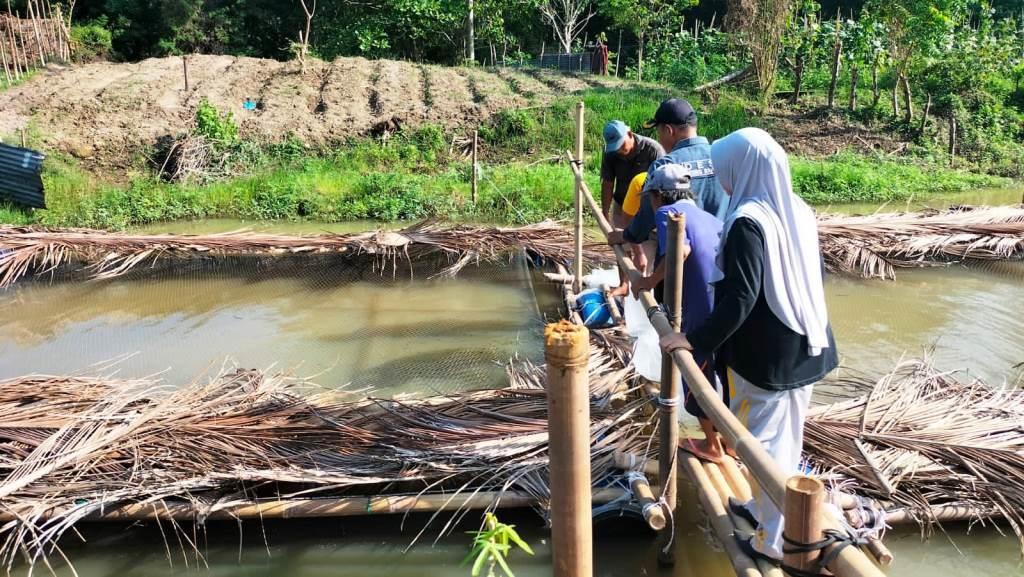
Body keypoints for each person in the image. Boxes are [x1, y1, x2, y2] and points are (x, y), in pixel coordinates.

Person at [659, 127, 839, 563]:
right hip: (807, 342)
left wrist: (694, 342)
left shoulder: (748, 222)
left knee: (764, 447)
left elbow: (740, 298)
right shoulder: (797, 209)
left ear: (744, 167)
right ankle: (760, 508)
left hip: (769, 357)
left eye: (724, 170)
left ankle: (773, 541)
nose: (721, 179)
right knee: (780, 441)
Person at [624, 164, 729, 462]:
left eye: (651, 198)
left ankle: (712, 445)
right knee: (722, 371)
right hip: (724, 305)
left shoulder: (668, 214)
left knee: (696, 374)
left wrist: (648, 281)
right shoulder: (709, 217)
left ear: (658, 196)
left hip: (698, 309)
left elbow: (679, 252)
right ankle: (731, 442)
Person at [612, 99, 728, 253]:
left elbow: (647, 215)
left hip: (680, 262)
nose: (659, 139)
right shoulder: (722, 156)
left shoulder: (665, 166)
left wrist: (627, 235)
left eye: (659, 132)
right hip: (723, 255)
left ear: (668, 130)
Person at [601, 120, 664, 294]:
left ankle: (648, 286)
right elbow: (607, 182)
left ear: (629, 134)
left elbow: (663, 185)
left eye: (622, 145)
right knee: (622, 246)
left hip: (648, 208)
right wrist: (605, 210)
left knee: (648, 252)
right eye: (615, 148)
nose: (620, 151)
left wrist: (640, 252)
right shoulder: (610, 153)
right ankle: (624, 285)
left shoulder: (653, 150)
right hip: (622, 204)